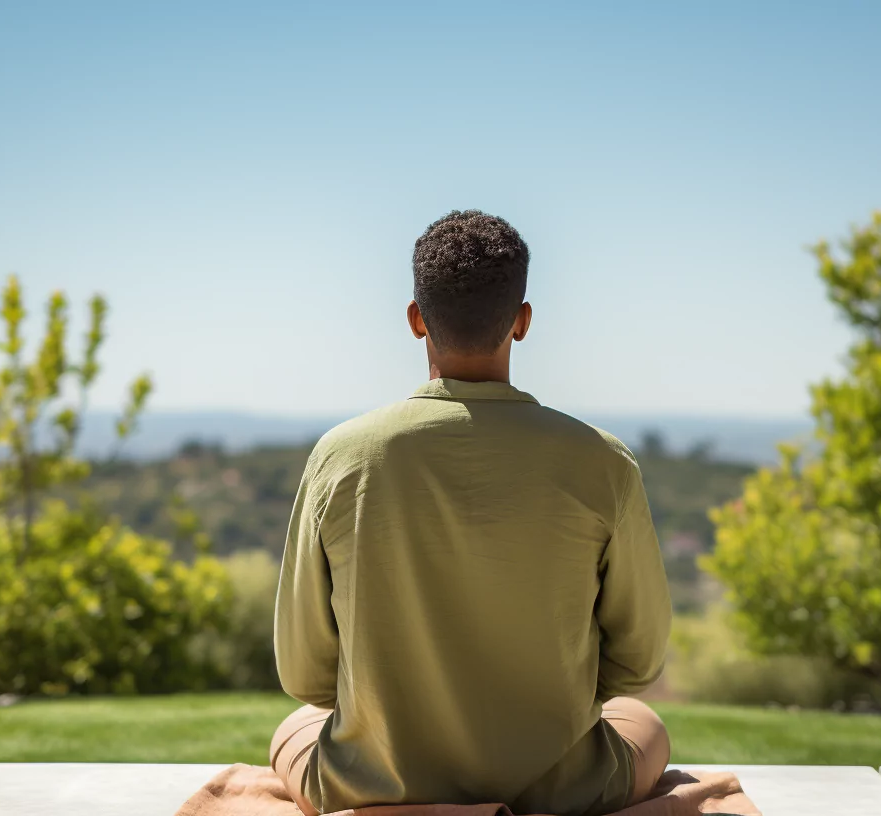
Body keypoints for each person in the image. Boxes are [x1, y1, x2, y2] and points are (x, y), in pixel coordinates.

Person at [270, 210, 672, 816]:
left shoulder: (342, 456)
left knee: (292, 728)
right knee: (644, 722)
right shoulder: (604, 463)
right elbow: (638, 661)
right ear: (524, 321)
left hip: (374, 784)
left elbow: (305, 674)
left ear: (414, 319)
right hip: (561, 790)